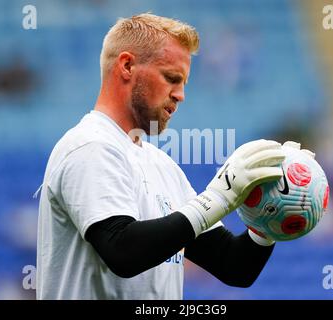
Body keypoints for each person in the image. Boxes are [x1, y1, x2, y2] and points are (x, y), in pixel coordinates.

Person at [36, 13, 288, 300]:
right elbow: (122, 251)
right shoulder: (90, 146)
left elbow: (233, 265)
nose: (180, 95)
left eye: (183, 83)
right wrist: (218, 198)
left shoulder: (162, 166)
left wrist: (270, 216)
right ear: (127, 66)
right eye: (171, 78)